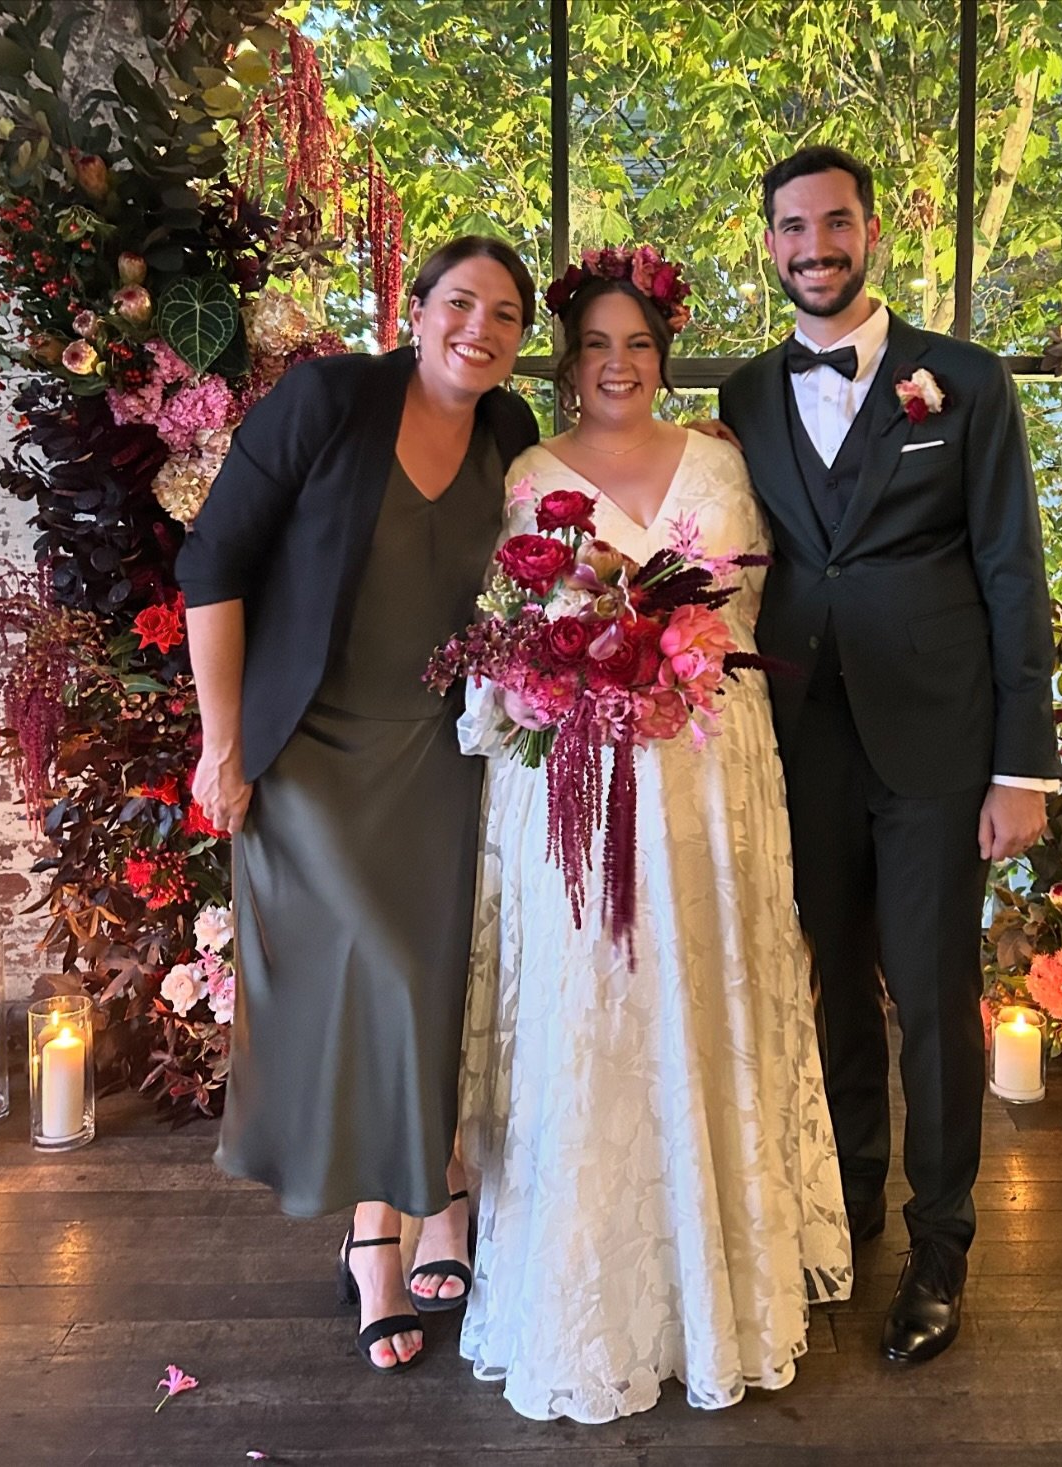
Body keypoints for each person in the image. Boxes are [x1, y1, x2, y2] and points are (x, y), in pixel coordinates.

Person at [454, 248, 852, 1423]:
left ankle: (722, 1277)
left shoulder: (725, 460)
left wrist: (670, 658)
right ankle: (586, 1293)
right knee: (593, 1017)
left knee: (706, 996)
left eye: (637, 345)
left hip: (710, 776)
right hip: (577, 787)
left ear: (662, 357)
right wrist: (564, 671)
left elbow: (763, 605)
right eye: (594, 347)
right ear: (568, 363)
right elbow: (497, 637)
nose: (616, 365)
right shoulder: (525, 473)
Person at [176, 236, 540, 1373]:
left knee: (441, 980)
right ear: (415, 308)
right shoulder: (328, 401)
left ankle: (437, 1199)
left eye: (508, 315)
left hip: (449, 752)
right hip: (315, 751)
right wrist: (221, 744)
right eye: (460, 304)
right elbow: (213, 560)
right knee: (376, 972)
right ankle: (377, 1232)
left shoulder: (512, 433)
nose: (481, 329)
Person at [718, 147, 1058, 1365]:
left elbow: (1014, 571)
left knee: (930, 996)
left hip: (938, 745)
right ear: (770, 244)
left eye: (836, 222)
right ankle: (848, 1207)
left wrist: (1023, 766)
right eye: (793, 228)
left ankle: (942, 1245)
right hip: (800, 742)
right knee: (832, 988)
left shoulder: (964, 382)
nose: (816, 245)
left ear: (874, 230)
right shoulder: (751, 395)